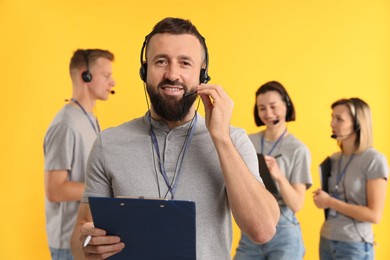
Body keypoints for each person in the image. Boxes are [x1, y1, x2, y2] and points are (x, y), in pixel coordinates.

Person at [70, 17, 280, 260]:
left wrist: (220, 138)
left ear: (203, 75)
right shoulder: (108, 143)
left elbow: (263, 230)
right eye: (161, 61)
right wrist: (86, 245)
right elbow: (80, 236)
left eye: (185, 63)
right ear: (144, 70)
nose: (172, 74)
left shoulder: (233, 139)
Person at [43, 49, 115, 260]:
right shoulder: (66, 124)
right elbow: (55, 190)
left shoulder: (89, 119)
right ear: (86, 75)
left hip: (87, 238)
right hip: (68, 244)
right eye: (106, 75)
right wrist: (103, 188)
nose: (113, 82)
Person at [234, 81, 312, 260]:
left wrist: (278, 176)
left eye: (273, 107)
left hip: (284, 233)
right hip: (251, 230)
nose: (268, 114)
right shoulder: (246, 141)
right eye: (262, 108)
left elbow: (297, 204)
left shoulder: (298, 149)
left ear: (287, 105)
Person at [313, 98, 388, 260]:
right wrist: (321, 199)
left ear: (358, 124)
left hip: (355, 245)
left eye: (339, 119)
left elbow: (374, 215)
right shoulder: (334, 159)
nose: (332, 123)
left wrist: (330, 202)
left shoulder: (374, 160)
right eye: (332, 117)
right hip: (326, 240)